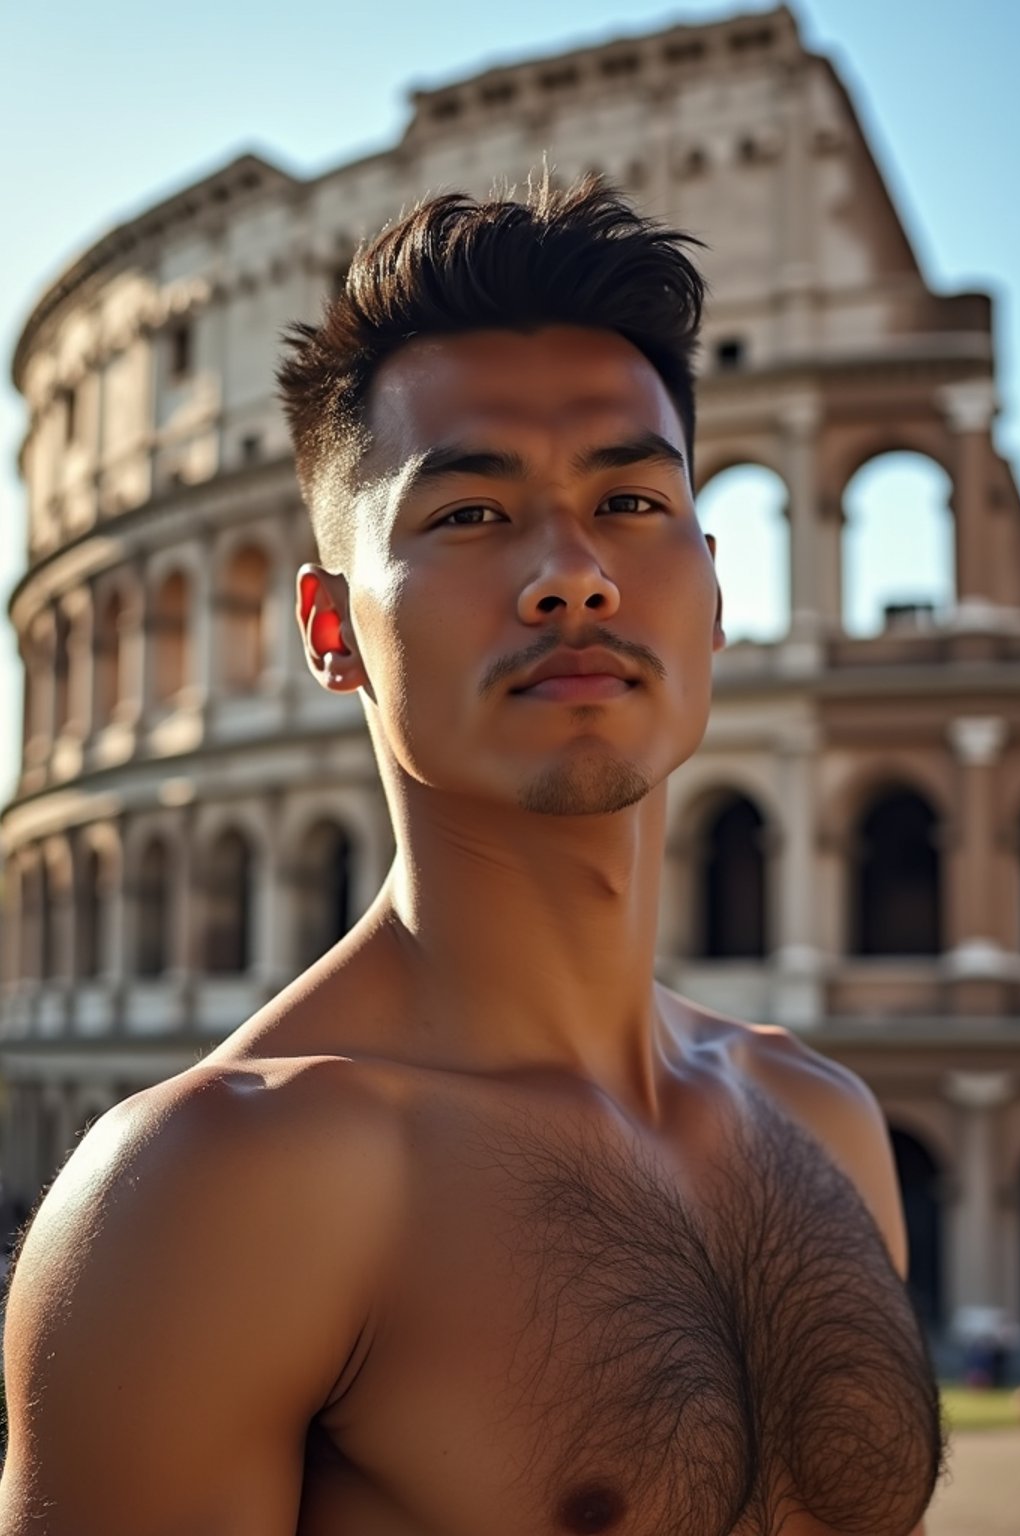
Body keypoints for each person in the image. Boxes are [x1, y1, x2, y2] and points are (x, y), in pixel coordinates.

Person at [0, 168, 946, 1535]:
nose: (575, 572)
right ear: (331, 634)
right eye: (468, 513)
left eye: (632, 503)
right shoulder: (215, 1190)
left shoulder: (824, 1122)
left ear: (717, 590)